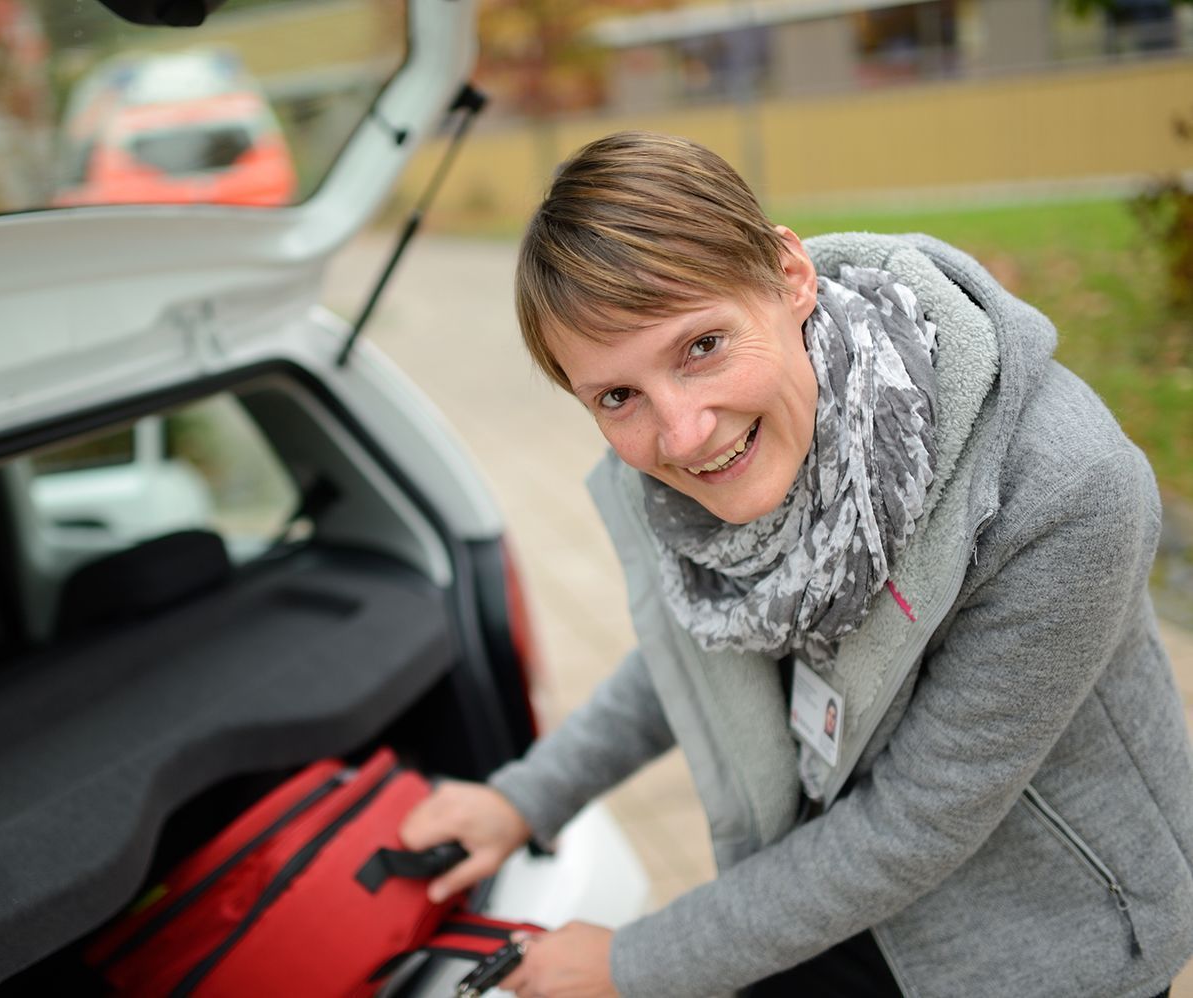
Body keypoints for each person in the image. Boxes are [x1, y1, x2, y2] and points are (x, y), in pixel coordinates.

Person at [399, 131, 1193, 998]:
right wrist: (525, 798)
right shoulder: (697, 464)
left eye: (700, 346)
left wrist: (636, 964)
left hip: (1039, 934)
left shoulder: (1063, 492)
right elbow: (699, 640)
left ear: (789, 276)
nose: (682, 433)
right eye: (617, 396)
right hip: (823, 877)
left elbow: (917, 825)